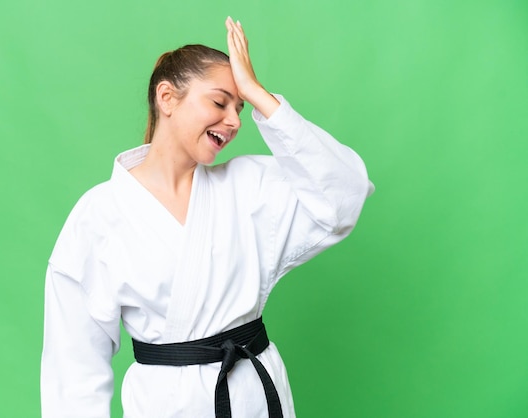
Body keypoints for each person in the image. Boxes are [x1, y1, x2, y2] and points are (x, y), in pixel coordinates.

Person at [41, 16, 374, 418]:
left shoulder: (250, 186)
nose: (234, 121)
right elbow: (74, 369)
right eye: (219, 102)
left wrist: (262, 97)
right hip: (167, 406)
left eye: (240, 106)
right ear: (167, 98)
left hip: (256, 396)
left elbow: (346, 193)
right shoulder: (99, 215)